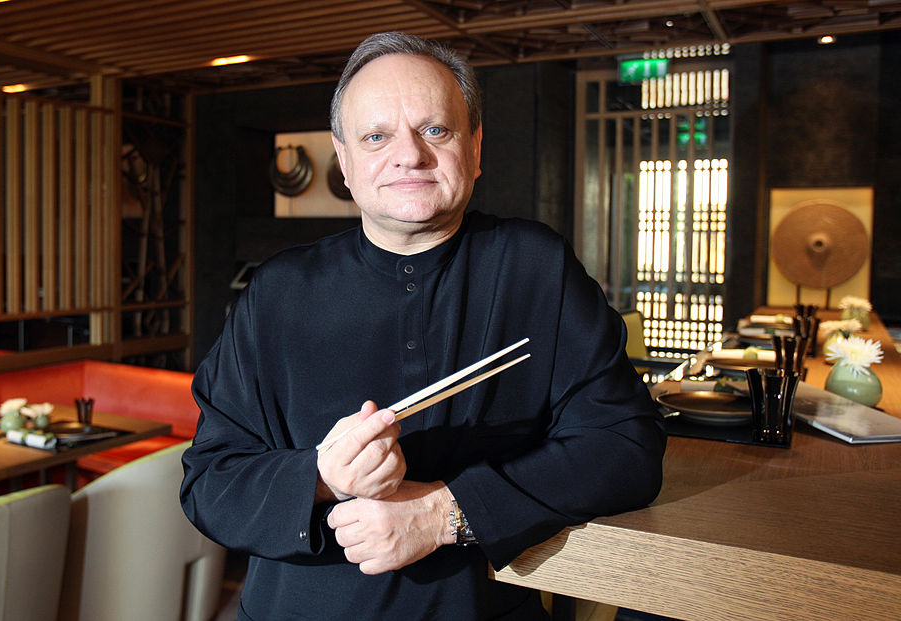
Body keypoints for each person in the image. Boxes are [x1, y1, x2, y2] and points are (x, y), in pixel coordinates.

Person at [181, 31, 665, 620]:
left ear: (476, 145)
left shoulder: (532, 267)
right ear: (345, 160)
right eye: (376, 136)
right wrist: (319, 476)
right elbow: (209, 482)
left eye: (435, 130)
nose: (409, 155)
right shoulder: (279, 291)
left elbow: (626, 448)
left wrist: (442, 513)